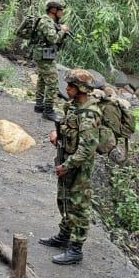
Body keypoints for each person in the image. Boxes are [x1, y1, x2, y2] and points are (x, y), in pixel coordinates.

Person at [40, 69, 102, 265]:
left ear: (81, 89)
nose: (66, 88)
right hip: (67, 158)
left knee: (79, 206)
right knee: (64, 199)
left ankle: (76, 249)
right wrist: (57, 135)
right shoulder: (73, 106)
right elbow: (68, 128)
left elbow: (87, 148)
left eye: (70, 86)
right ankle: (64, 236)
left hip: (79, 167)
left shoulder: (89, 114)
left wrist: (67, 165)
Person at [31, 0, 71, 121]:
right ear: (53, 10)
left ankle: (39, 105)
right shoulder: (46, 21)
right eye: (61, 10)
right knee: (53, 83)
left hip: (46, 55)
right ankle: (48, 110)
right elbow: (53, 39)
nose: (62, 12)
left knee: (42, 80)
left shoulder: (50, 22)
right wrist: (62, 31)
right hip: (43, 56)